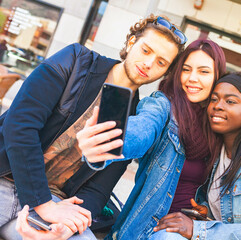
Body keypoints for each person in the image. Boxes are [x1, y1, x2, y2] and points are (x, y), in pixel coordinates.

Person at [0, 14, 186, 239]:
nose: (148, 64)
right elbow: (20, 126)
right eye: (146, 51)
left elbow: (98, 191)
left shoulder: (134, 119)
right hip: (8, 178)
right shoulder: (76, 61)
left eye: (161, 62)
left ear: (165, 72)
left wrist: (68, 227)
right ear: (131, 43)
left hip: (59, 202)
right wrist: (44, 204)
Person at [76, 38, 226, 239]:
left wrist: (204, 209)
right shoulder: (163, 105)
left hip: (197, 231)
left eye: (204, 72)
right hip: (150, 230)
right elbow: (144, 128)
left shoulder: (217, 124)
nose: (192, 78)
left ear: (218, 76)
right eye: (186, 69)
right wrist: (108, 141)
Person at [152, 72, 241, 239]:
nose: (218, 106)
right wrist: (207, 212)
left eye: (230, 101)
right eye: (214, 99)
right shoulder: (217, 150)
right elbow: (232, 213)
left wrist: (198, 229)